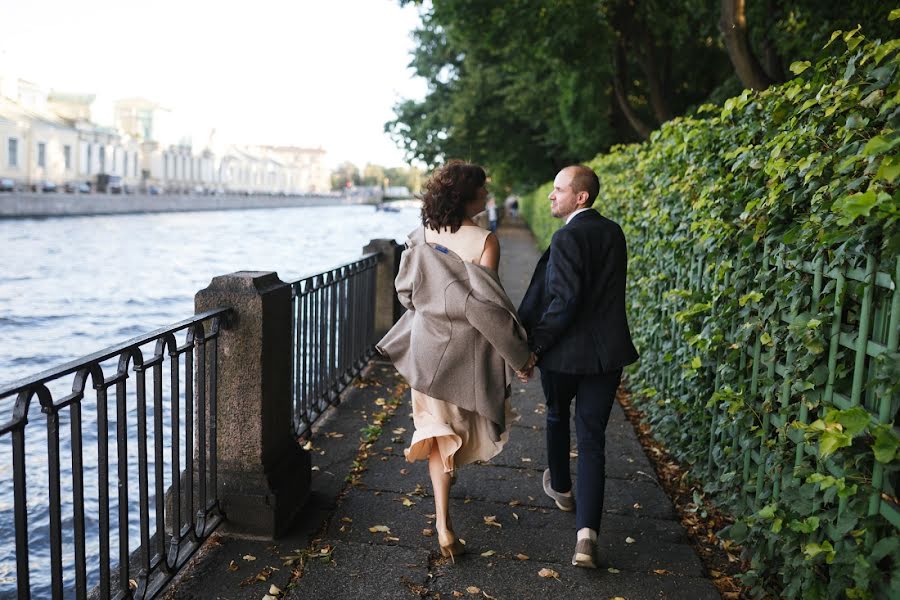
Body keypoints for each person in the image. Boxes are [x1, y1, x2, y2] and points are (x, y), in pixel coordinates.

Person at [377, 161, 536, 561]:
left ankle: (444, 521)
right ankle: (444, 524)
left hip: (425, 350)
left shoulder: (420, 236)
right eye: (483, 191)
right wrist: (520, 357)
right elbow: (489, 311)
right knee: (451, 436)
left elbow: (405, 295)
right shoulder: (485, 241)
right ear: (468, 197)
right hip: (466, 356)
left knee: (436, 434)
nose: (487, 196)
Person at [517, 165, 639, 569]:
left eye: (558, 190)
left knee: (555, 414)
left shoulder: (567, 236)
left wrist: (535, 346)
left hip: (565, 356)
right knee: (591, 442)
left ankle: (563, 489)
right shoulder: (614, 232)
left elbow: (565, 301)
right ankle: (586, 537)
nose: (551, 196)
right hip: (607, 356)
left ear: (580, 197)